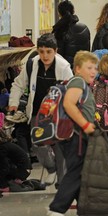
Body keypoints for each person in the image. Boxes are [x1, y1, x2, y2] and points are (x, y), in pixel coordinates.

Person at [8, 33, 73, 187]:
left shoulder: (63, 67)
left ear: (55, 51)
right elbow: (18, 84)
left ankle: (63, 184)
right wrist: (13, 103)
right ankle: (51, 168)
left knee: (60, 148)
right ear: (38, 51)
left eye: (49, 51)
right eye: (41, 51)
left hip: (58, 113)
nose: (45, 55)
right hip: (37, 111)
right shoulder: (31, 65)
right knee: (37, 144)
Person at [48, 51, 98, 216]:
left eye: (95, 68)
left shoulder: (81, 83)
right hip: (76, 136)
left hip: (76, 136)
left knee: (80, 171)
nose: (93, 71)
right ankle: (57, 209)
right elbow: (69, 105)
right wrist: (85, 125)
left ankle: (85, 208)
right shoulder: (78, 81)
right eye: (89, 67)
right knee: (76, 171)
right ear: (77, 69)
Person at [52, 0, 90, 69]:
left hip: (66, 69)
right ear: (73, 10)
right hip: (83, 67)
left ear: (59, 13)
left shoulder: (60, 29)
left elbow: (58, 55)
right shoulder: (85, 28)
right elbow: (88, 50)